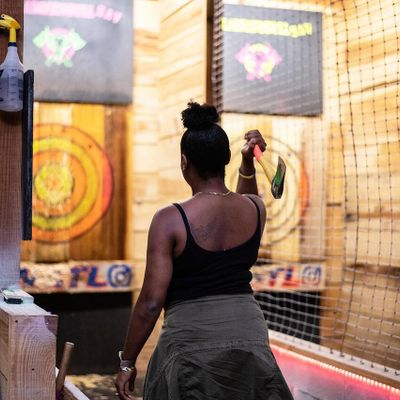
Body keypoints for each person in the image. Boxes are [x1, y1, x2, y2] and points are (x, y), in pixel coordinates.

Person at [115, 102, 294, 400]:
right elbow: (244, 200)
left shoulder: (169, 220)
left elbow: (150, 303)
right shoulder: (255, 209)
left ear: (184, 162)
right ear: (226, 159)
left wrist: (127, 362)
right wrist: (247, 164)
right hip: (249, 336)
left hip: (190, 342)